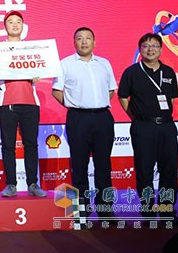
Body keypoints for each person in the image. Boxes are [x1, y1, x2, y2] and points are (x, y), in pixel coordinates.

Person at [117, 33, 178, 226]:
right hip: (143, 127)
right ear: (140, 49)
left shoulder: (169, 72)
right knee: (144, 170)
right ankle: (147, 211)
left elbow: (171, 100)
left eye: (154, 46)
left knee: (169, 170)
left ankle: (167, 211)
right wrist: (136, 117)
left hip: (167, 126)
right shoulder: (131, 72)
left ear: (161, 49)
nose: (150, 49)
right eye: (146, 46)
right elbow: (122, 97)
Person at [51, 27, 117, 216]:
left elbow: (111, 90)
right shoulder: (65, 64)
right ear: (74, 42)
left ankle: (105, 209)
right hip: (78, 118)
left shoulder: (104, 63)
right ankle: (82, 210)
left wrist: (97, 104)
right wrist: (75, 104)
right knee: (79, 166)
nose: (84, 41)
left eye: (88, 38)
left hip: (103, 118)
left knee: (103, 164)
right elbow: (56, 91)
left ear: (94, 42)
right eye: (80, 38)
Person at [0, 11, 46, 198]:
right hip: (7, 102)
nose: (15, 24)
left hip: (30, 102)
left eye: (18, 21)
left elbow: (41, 68)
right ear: (5, 26)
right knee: (8, 145)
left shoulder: (31, 49)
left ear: (23, 25)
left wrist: (38, 73)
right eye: (11, 22)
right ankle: (11, 184)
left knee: (31, 144)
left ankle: (33, 184)